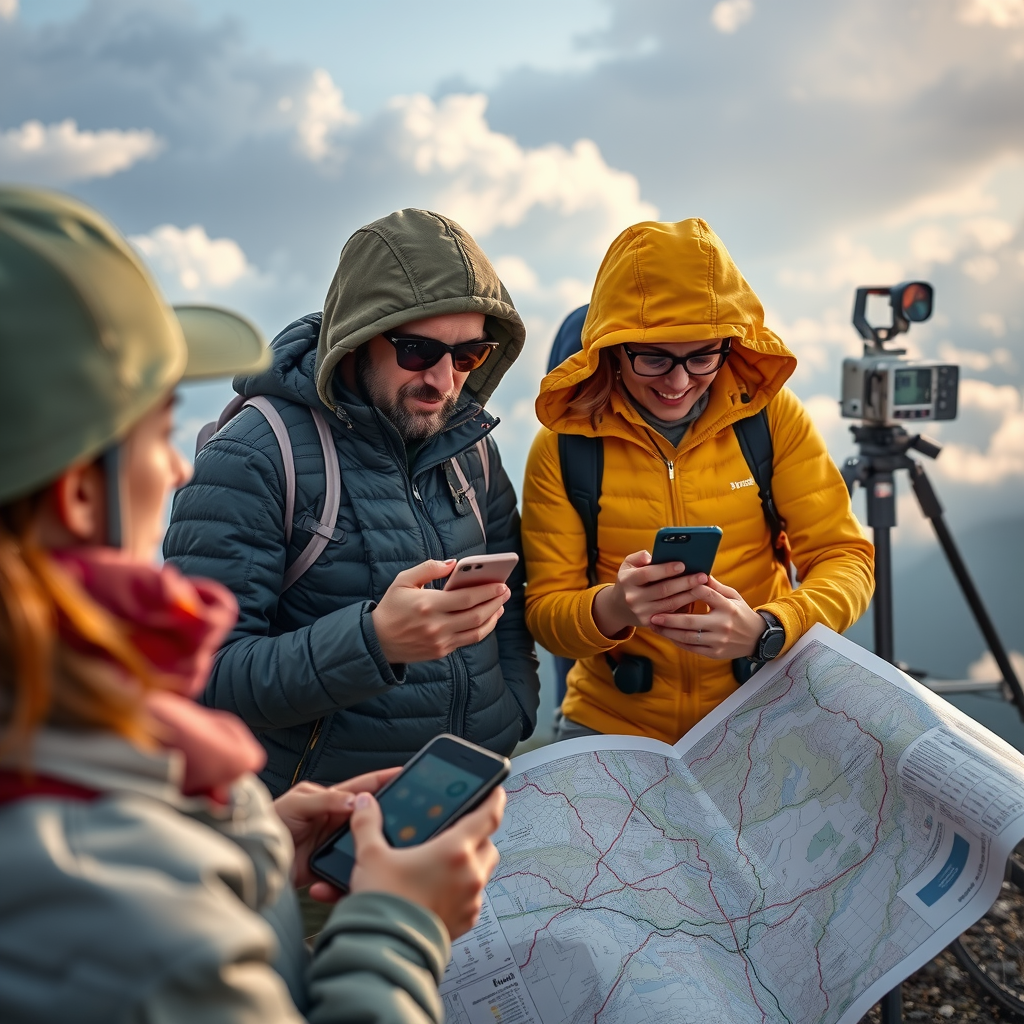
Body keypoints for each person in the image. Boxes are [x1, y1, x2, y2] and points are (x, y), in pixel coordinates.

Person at [0, 186, 504, 1024]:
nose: (178, 469)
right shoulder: (101, 886)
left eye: (471, 355)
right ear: (77, 494)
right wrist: (400, 924)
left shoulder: (468, 460)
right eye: (157, 430)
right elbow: (215, 683)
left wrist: (254, 846)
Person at [164, 209, 539, 795]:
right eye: (417, 351)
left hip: (473, 803)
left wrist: (512, 713)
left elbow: (509, 609)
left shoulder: (472, 447)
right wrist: (375, 643)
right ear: (358, 337)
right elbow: (200, 676)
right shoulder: (255, 454)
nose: (443, 380)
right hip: (320, 840)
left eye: (469, 356)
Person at [521, 217, 874, 742]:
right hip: (612, 725)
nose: (679, 381)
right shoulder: (563, 446)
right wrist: (614, 607)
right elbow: (545, 611)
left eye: (703, 356)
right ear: (612, 348)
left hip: (763, 710)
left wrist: (768, 628)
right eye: (654, 357)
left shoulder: (772, 421)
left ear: (729, 344)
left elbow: (845, 559)